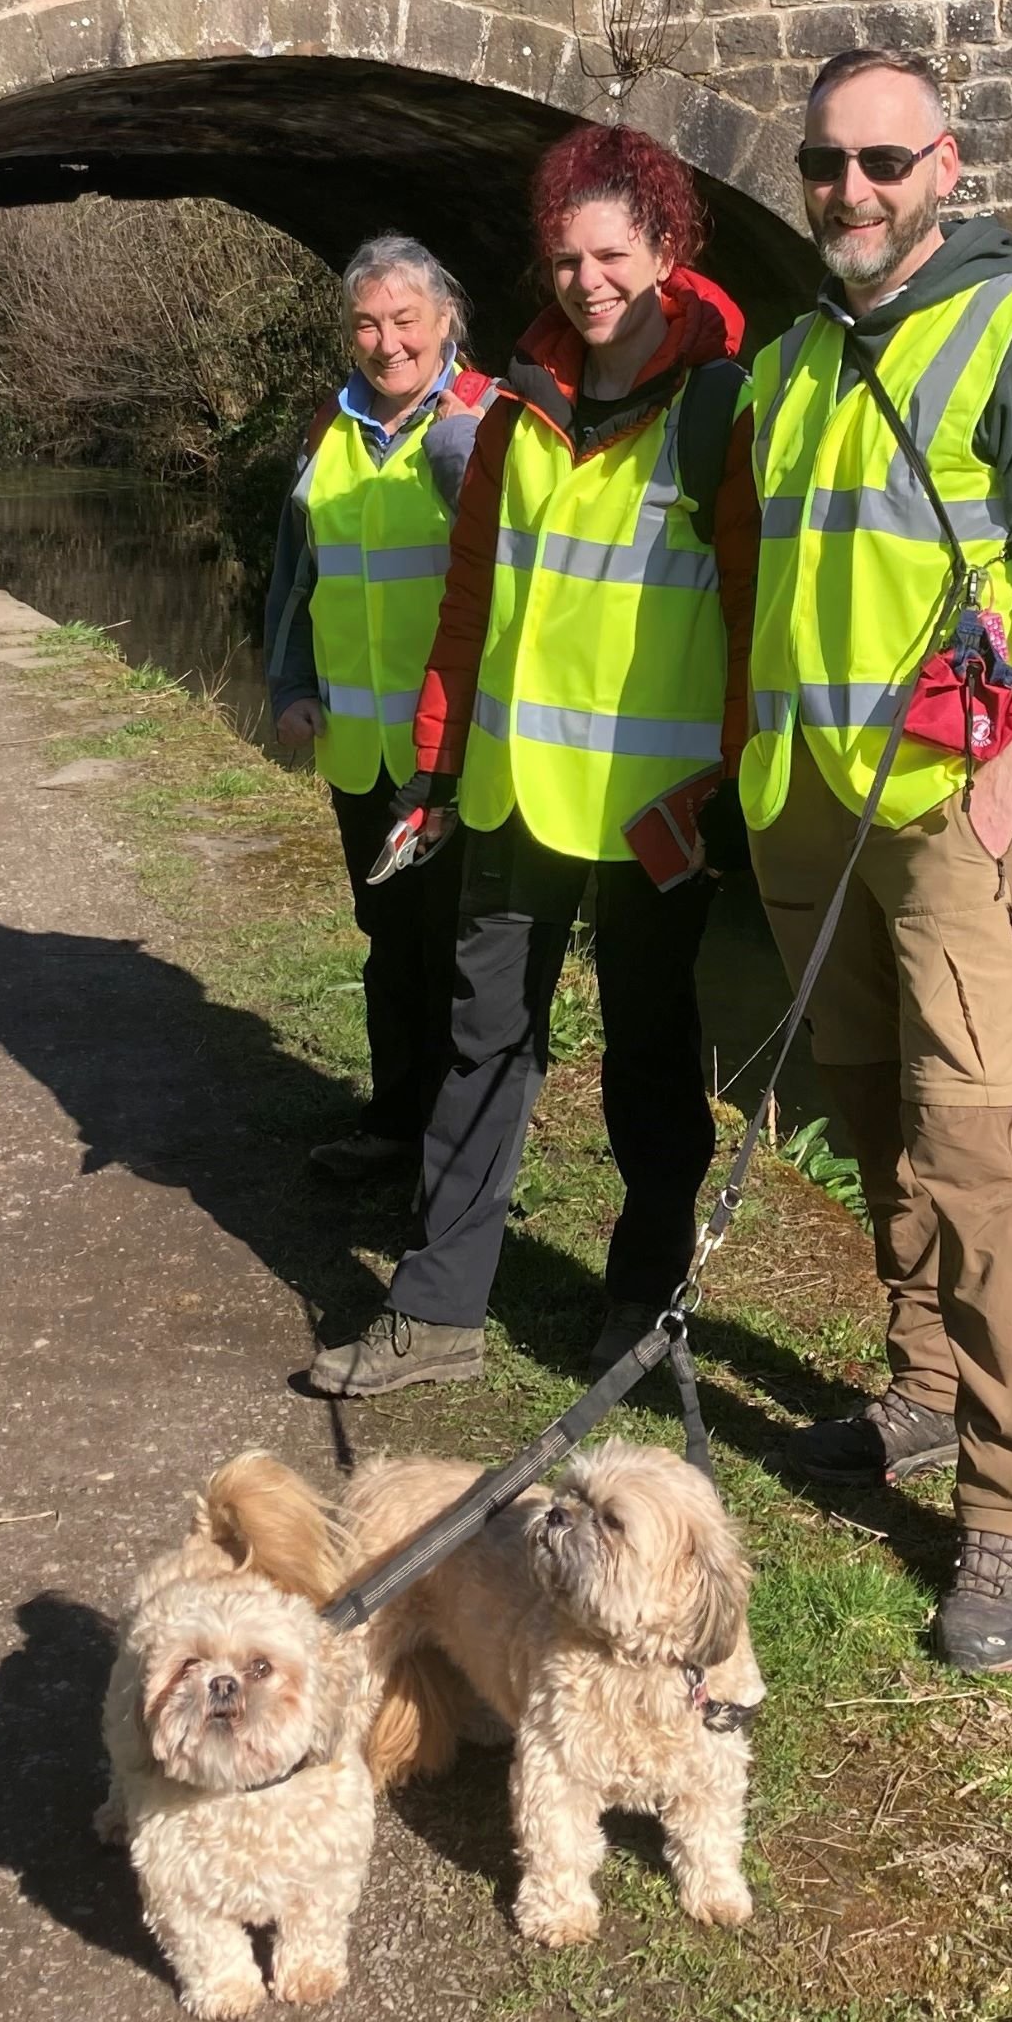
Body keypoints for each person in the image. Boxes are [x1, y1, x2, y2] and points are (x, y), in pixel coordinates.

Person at [743, 46, 1012, 1671]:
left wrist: (1011, 778)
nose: (853, 189)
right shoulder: (781, 367)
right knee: (866, 1111)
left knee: (974, 1153)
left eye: (884, 160)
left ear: (946, 166)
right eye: (828, 162)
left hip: (953, 807)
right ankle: (913, 1388)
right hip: (804, 804)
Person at [306, 125, 757, 1397]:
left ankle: (641, 1309)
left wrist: (723, 784)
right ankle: (438, 1312)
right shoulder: (512, 414)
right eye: (564, 258)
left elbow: (748, 618)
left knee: (651, 1057)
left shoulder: (720, 407)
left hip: (654, 810)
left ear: (666, 251)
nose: (586, 281)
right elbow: (470, 608)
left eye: (611, 254)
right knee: (480, 1041)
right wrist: (436, 772)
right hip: (509, 793)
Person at [264, 236, 494, 1183]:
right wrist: (289, 686)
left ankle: (459, 1159)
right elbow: (295, 572)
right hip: (361, 752)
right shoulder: (330, 428)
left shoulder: (486, 422)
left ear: (446, 320)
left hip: (460, 755)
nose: (386, 340)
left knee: (459, 957)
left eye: (405, 319)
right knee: (391, 941)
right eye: (367, 321)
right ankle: (397, 1124)